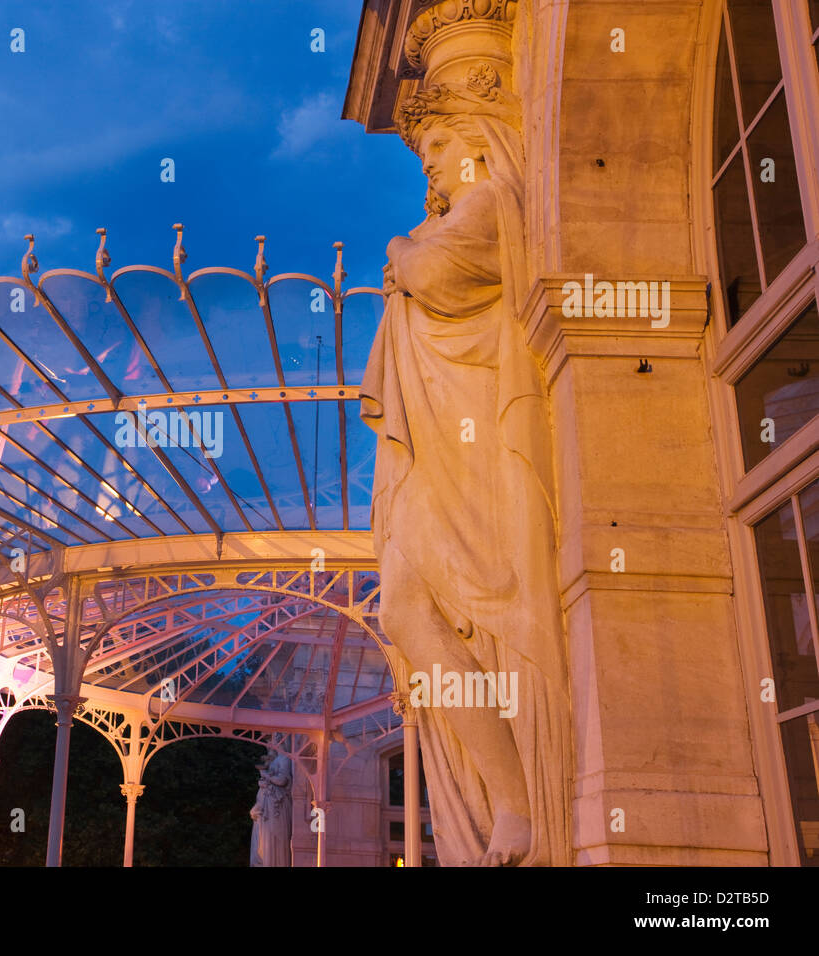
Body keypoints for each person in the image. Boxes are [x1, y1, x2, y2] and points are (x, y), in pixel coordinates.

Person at [361, 64, 569, 866]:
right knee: (404, 611)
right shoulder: (463, 214)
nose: (434, 162)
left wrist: (399, 246)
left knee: (425, 610)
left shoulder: (493, 206)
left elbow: (431, 273)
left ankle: (519, 803)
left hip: (478, 446)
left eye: (443, 143)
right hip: (439, 447)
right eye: (427, 153)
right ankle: (509, 798)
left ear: (485, 138)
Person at [248, 749, 293, 866]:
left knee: (270, 841)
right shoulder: (277, 760)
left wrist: (266, 776)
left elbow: (282, 780)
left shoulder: (284, 758)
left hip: (274, 807)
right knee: (262, 844)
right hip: (267, 808)